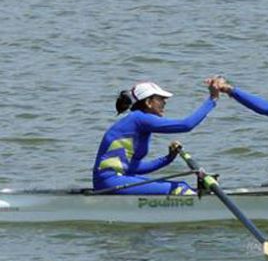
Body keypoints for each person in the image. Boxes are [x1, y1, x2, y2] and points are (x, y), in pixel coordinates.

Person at [92, 79, 220, 195]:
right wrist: (212, 99)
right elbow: (186, 125)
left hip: (114, 179)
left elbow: (135, 167)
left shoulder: (137, 122)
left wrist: (168, 158)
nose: (164, 103)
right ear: (148, 102)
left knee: (181, 185)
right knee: (179, 187)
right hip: (111, 180)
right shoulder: (139, 119)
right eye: (161, 99)